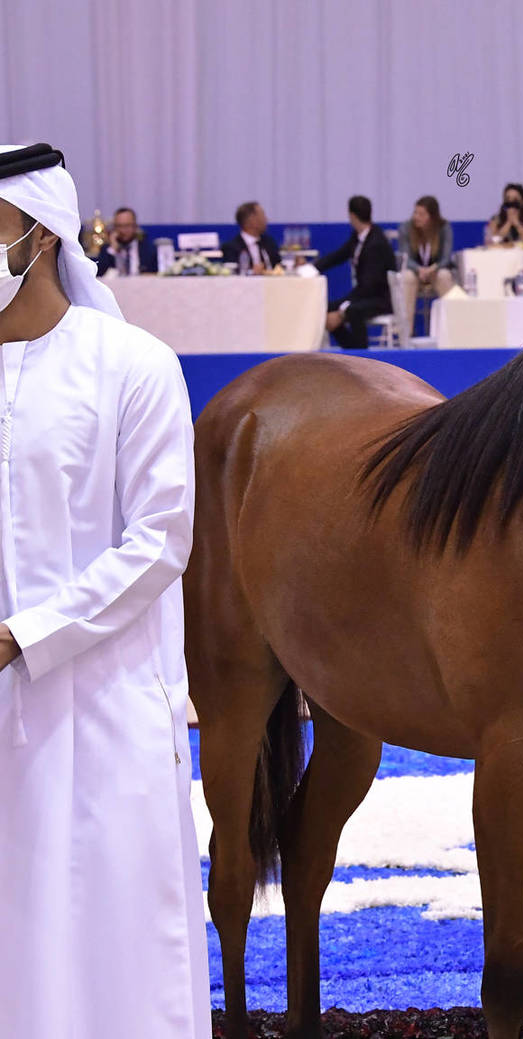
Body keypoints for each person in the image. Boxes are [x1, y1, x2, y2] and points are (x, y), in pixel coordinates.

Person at [0, 143, 208, 1038]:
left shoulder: (133, 365)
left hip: (101, 711)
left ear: (37, 236)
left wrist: (23, 635)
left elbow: (161, 540)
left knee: (113, 957)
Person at [314, 194, 396, 349]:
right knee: (326, 308)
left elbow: (370, 286)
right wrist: (313, 268)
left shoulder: (376, 243)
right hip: (364, 294)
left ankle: (361, 352)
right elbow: (339, 255)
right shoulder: (358, 237)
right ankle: (352, 349)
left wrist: (342, 310)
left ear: (352, 215)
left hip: (380, 298)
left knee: (353, 310)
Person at [397, 194, 456, 298]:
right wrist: (419, 269)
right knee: (407, 277)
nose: (416, 217)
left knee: (444, 275)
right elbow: (405, 258)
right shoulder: (406, 228)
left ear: (432, 217)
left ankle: (450, 313)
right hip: (415, 272)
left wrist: (433, 269)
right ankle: (405, 315)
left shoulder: (444, 228)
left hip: (435, 271)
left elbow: (446, 258)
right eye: (415, 213)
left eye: (421, 214)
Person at [219, 200, 281, 273]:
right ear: (251, 220)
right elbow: (231, 272)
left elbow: (279, 266)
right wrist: (251, 272)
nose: (266, 219)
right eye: (263, 215)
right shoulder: (231, 247)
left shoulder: (269, 242)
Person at [95, 205, 157, 276]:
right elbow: (99, 274)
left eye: (127, 226)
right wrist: (113, 249)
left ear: (135, 226)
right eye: (119, 226)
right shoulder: (107, 250)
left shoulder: (148, 249)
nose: (123, 230)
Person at [485, 181, 523, 248]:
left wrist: (517, 223)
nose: (511, 202)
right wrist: (509, 222)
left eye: (515, 199)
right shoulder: (496, 219)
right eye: (508, 198)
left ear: (522, 201)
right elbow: (493, 242)